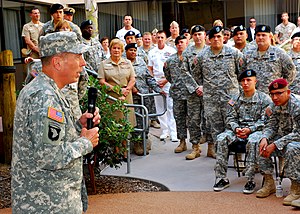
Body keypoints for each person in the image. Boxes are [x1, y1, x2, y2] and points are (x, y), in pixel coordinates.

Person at [11, 31, 100, 213]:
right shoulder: (45, 96)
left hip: (51, 201)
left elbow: (49, 138)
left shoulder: (49, 91)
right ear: (57, 62)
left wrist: (78, 126)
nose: (83, 63)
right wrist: (85, 143)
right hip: (47, 204)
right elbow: (50, 156)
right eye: (78, 57)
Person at [213, 69, 272, 193]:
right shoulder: (235, 98)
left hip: (256, 131)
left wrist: (250, 129)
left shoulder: (264, 99)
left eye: (249, 80)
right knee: (221, 138)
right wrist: (236, 128)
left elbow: (266, 120)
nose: (245, 83)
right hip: (237, 130)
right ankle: (222, 178)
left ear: (255, 81)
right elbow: (229, 117)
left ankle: (250, 179)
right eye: (243, 80)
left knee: (253, 140)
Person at [192, 26, 245, 159]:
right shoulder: (201, 57)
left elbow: (242, 73)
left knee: (233, 126)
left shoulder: (234, 54)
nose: (216, 39)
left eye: (219, 36)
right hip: (211, 100)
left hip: (231, 99)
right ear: (209, 39)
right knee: (215, 128)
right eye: (213, 37)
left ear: (224, 38)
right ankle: (221, 156)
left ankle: (237, 154)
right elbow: (197, 76)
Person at [257, 79, 300, 209]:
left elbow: (298, 133)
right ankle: (269, 183)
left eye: (279, 93)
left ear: (288, 92)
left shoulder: (297, 106)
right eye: (272, 94)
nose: (275, 97)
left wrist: (275, 144)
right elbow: (272, 125)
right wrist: (265, 138)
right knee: (259, 142)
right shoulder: (274, 105)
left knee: (292, 148)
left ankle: (296, 188)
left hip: (296, 139)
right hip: (285, 138)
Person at [165, 35, 202, 159]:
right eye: (178, 43)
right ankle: (182, 142)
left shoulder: (193, 58)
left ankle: (195, 145)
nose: (180, 44)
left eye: (182, 42)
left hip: (192, 94)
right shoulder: (170, 60)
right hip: (178, 94)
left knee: (193, 120)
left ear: (187, 43)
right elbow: (168, 76)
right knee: (179, 118)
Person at [126, 43, 164, 155]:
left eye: (134, 50)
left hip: (145, 96)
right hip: (132, 98)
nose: (133, 52)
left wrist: (158, 89)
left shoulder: (141, 62)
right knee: (136, 121)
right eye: (131, 50)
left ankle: (144, 141)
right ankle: (137, 143)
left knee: (145, 121)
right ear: (126, 51)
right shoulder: (123, 63)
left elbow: (149, 78)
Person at [184, 25, 213, 157]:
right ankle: (195, 147)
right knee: (193, 120)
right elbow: (183, 72)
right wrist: (196, 87)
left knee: (210, 118)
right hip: (193, 92)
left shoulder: (210, 51)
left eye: (200, 34)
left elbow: (214, 72)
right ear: (192, 37)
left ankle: (211, 147)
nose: (197, 37)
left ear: (205, 35)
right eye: (195, 35)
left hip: (208, 91)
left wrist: (205, 87)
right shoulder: (187, 52)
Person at [244, 24, 296, 94]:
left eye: (263, 35)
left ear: (270, 36)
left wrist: (280, 87)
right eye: (258, 35)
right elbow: (242, 73)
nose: (260, 37)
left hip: (272, 97)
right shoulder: (248, 54)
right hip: (254, 96)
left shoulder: (279, 53)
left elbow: (291, 72)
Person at [98, 38, 136, 127]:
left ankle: (127, 141)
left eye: (119, 48)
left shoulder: (127, 63)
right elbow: (101, 81)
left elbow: (132, 79)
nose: (116, 50)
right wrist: (118, 90)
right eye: (114, 48)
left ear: (122, 50)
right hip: (112, 98)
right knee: (113, 126)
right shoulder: (103, 64)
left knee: (127, 125)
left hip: (126, 97)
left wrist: (126, 91)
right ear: (110, 49)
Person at [148, 30, 178, 141]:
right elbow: (150, 68)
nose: (160, 39)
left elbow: (174, 68)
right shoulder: (152, 52)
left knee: (171, 107)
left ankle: (173, 132)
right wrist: (154, 82)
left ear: (165, 39)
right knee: (160, 108)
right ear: (155, 38)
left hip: (168, 82)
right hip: (156, 82)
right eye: (158, 37)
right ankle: (165, 131)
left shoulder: (171, 51)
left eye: (162, 37)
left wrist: (165, 80)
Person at [137, 31, 160, 129]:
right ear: (142, 39)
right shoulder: (137, 50)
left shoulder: (155, 50)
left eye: (149, 39)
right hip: (142, 78)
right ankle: (146, 120)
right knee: (145, 100)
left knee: (153, 100)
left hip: (153, 77)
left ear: (151, 39)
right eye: (145, 39)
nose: (147, 41)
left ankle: (153, 119)